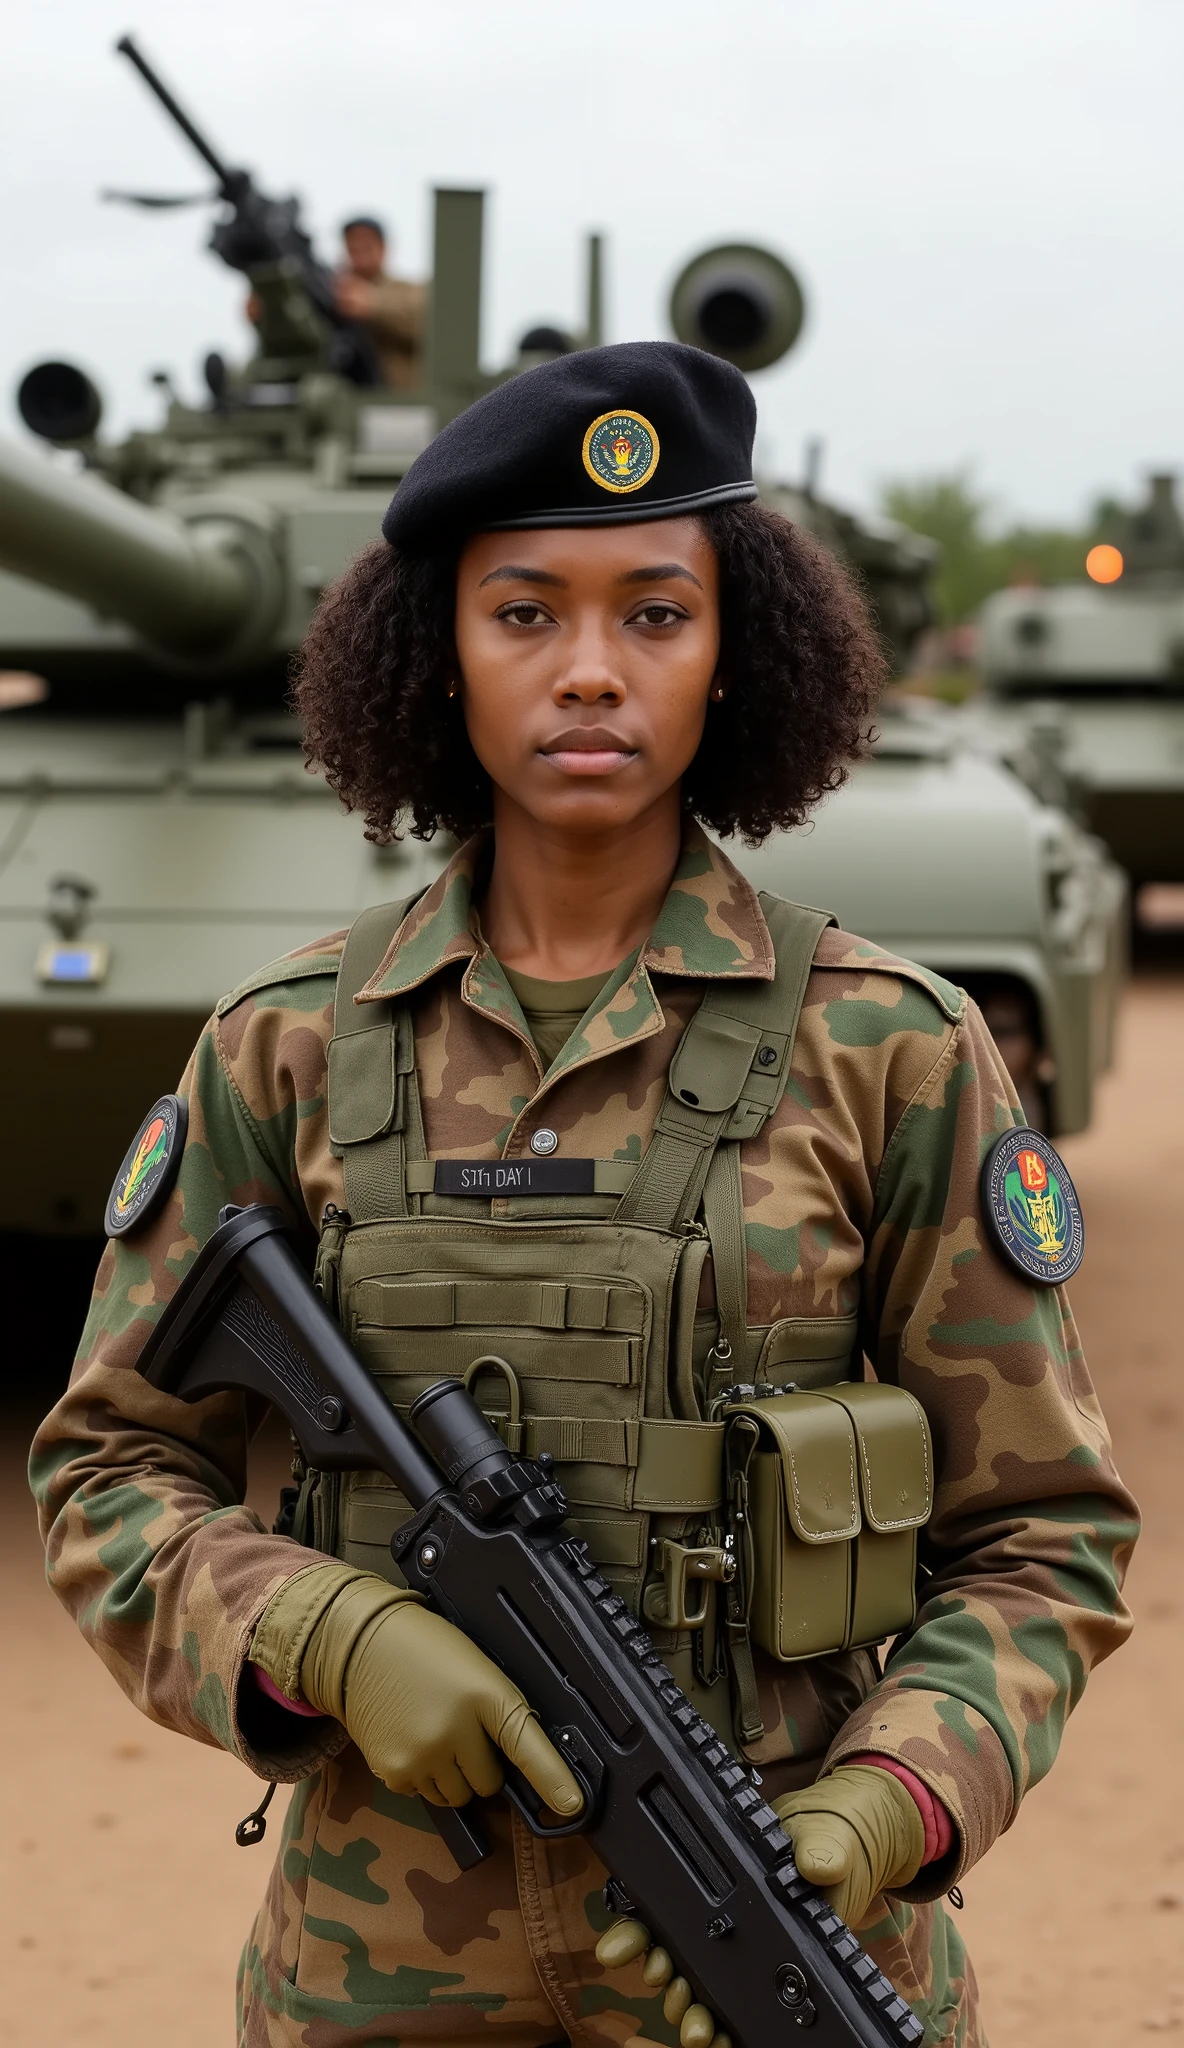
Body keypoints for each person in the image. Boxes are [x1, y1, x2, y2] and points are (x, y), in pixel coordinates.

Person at [31, 342, 1136, 2048]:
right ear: (437, 654)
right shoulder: (287, 1050)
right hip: (371, 1964)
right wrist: (318, 1629)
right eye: (523, 612)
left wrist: (876, 1811)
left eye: (654, 613)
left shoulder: (887, 1050)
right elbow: (109, 1466)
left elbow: (1039, 1534)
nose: (590, 673)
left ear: (732, 656)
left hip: (766, 1923)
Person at [333, 213, 425, 390]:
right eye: (353, 250)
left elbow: (428, 326)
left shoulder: (409, 291)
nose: (359, 258)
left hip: (398, 404)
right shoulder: (336, 294)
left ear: (383, 249)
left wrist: (373, 305)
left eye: (366, 249)